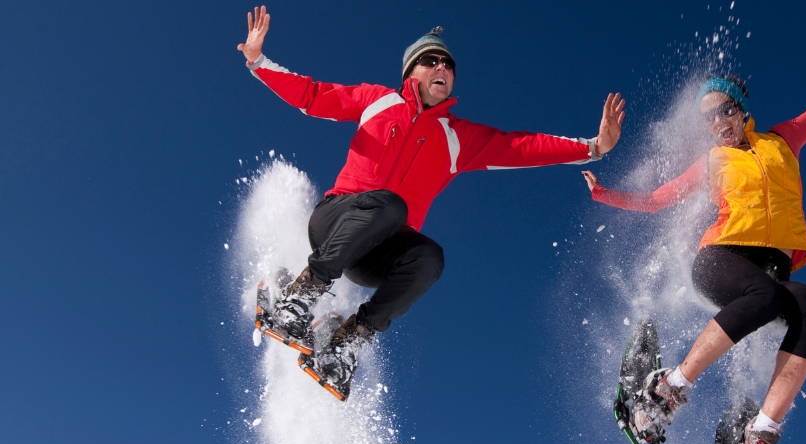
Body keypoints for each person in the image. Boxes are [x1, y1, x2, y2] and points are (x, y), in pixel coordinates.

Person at [238, 6, 625, 400]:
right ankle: (302, 294)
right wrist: (258, 61)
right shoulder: (379, 101)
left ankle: (349, 341)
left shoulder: (458, 137)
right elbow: (313, 95)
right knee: (391, 206)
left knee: (430, 258)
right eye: (431, 60)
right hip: (335, 221)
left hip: (374, 255)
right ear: (411, 72)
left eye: (449, 64)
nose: (442, 66)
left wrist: (593, 147)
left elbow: (519, 147)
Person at [583, 21, 806, 444]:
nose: (718, 121)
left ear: (741, 110)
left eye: (726, 110)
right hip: (720, 260)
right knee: (764, 294)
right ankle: (660, 396)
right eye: (709, 117)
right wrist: (606, 196)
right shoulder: (712, 160)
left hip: (771, 271)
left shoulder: (782, 141)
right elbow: (657, 200)